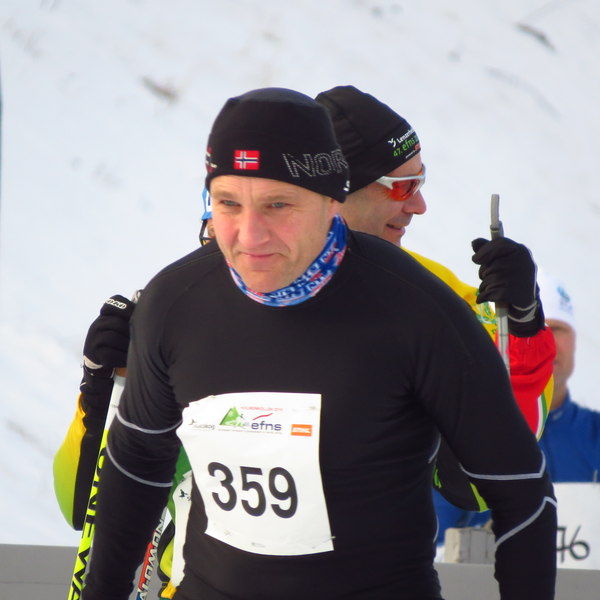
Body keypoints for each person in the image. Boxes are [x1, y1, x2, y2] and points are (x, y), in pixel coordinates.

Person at [75, 87, 555, 600]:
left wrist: (524, 328)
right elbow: (131, 468)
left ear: (331, 201)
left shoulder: (419, 308)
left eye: (278, 205)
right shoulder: (174, 302)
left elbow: (519, 490)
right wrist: (94, 395)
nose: (250, 234)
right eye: (228, 204)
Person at [314, 85, 556, 520]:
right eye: (403, 186)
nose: (420, 205)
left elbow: (486, 481)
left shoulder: (431, 292)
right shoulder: (219, 283)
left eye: (420, 181)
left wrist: (521, 325)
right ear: (337, 191)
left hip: (374, 559)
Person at [536, 269, 600, 482]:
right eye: (532, 330)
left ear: (574, 339)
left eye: (556, 329)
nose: (546, 342)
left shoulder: (595, 436)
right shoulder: (467, 444)